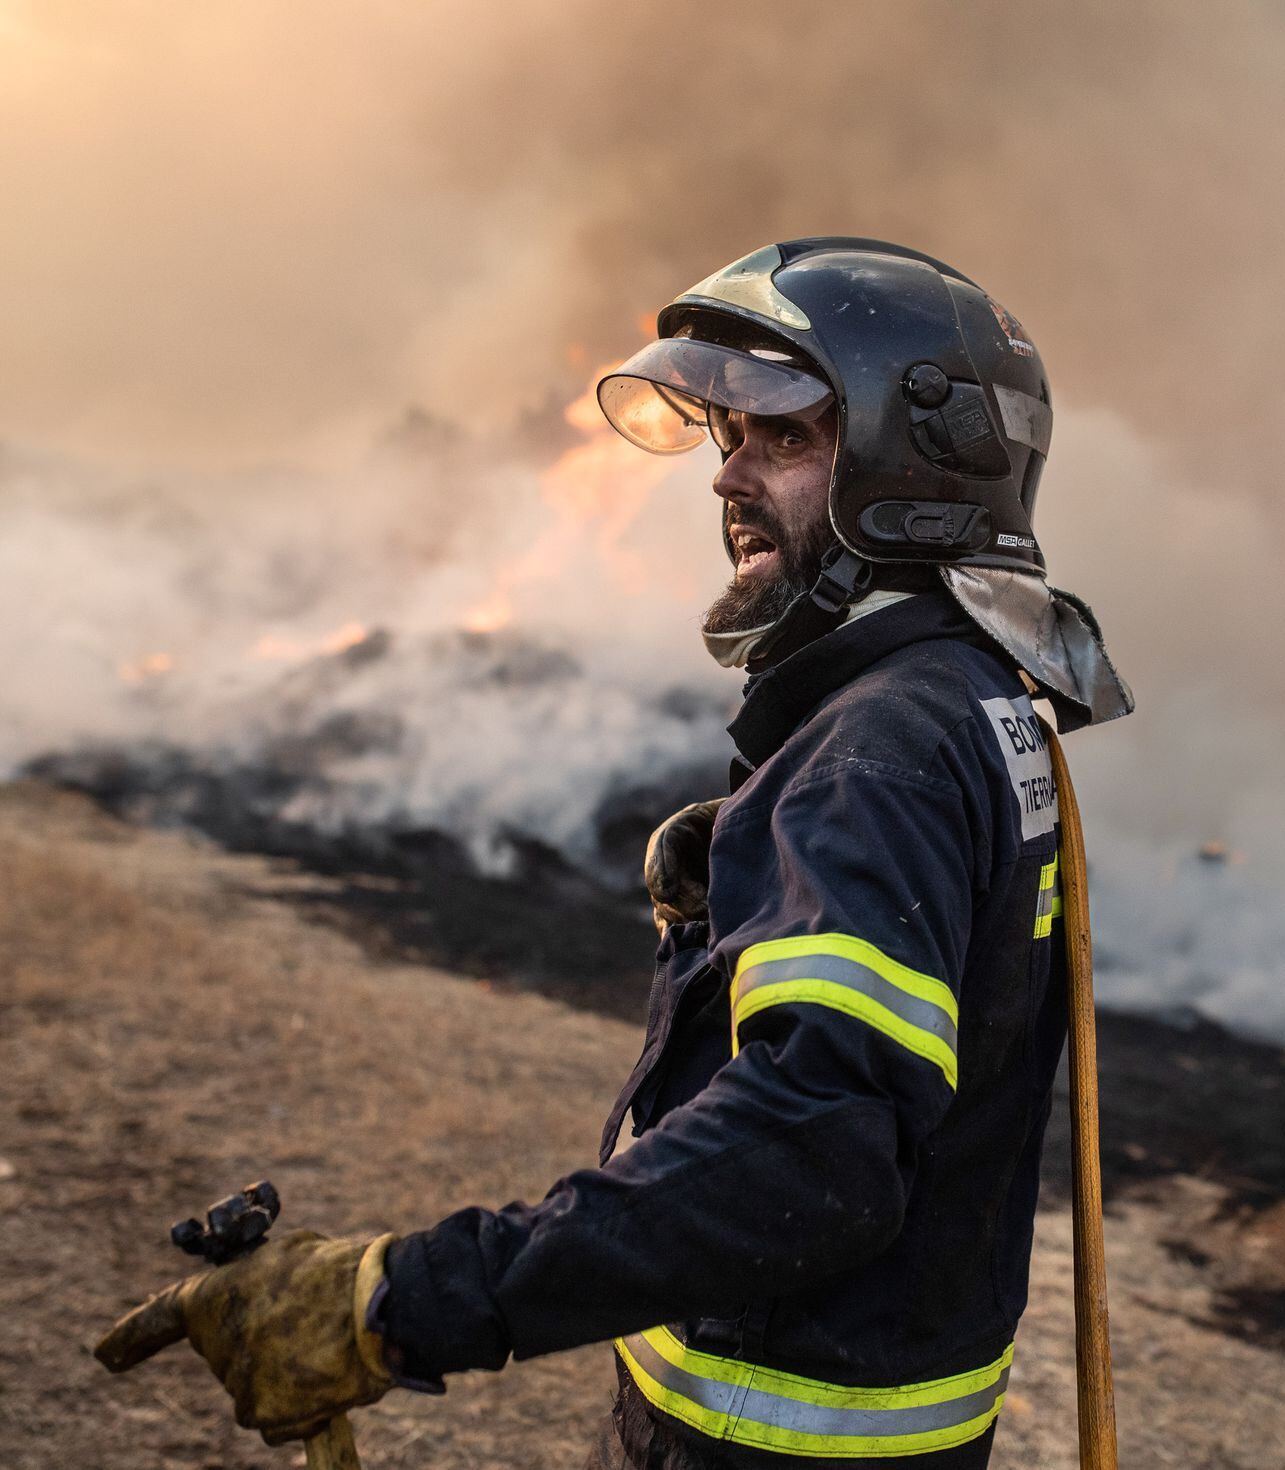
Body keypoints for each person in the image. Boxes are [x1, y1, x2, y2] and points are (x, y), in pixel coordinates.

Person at [95, 238, 1132, 1470]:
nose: (727, 477)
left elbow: (813, 1148)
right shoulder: (973, 694)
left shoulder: (881, 748)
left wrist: (398, 1302)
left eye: (781, 440)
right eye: (725, 436)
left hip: (759, 1435)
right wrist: (744, 886)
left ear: (910, 471)